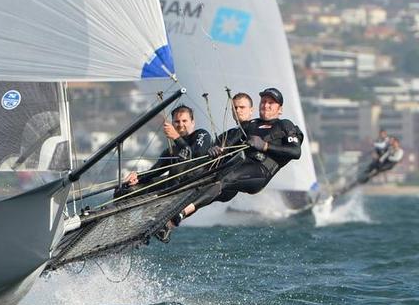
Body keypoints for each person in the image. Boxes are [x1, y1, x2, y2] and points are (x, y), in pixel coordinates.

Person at [181, 87, 303, 219]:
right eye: (263, 101)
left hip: (261, 171)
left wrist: (264, 145)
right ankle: (171, 220)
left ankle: (181, 214)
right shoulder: (251, 124)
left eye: (271, 103)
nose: (266, 105)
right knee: (206, 181)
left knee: (225, 178)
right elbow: (226, 143)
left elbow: (295, 152)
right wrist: (215, 148)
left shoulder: (284, 125)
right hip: (240, 168)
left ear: (280, 109)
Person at [116, 105, 211, 242]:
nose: (181, 125)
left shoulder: (202, 135)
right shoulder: (171, 151)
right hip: (169, 187)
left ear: (192, 122)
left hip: (191, 187)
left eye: (184, 121)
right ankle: (121, 231)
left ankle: (162, 222)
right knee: (123, 189)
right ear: (172, 124)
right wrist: (137, 177)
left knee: (176, 168)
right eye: (177, 122)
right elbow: (154, 172)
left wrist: (177, 137)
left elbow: (193, 156)